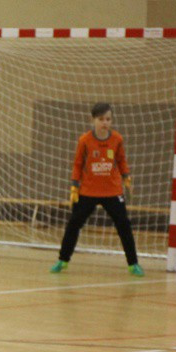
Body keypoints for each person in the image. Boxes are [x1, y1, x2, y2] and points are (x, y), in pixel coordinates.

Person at [50, 103, 144, 276]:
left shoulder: (117, 139)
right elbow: (77, 164)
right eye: (101, 119)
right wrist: (74, 186)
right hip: (88, 191)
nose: (105, 123)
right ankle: (63, 260)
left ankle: (133, 264)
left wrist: (126, 176)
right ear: (92, 120)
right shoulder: (84, 140)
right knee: (74, 224)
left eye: (108, 119)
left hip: (112, 191)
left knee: (124, 225)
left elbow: (121, 160)